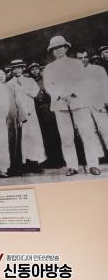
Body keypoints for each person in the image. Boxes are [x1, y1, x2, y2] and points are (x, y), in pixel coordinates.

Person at [43, 36, 103, 176]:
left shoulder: (76, 63)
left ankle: (93, 165)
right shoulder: (49, 68)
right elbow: (48, 86)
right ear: (52, 51)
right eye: (54, 48)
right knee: (66, 137)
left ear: (66, 48)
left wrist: (72, 93)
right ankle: (72, 166)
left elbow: (82, 81)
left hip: (79, 102)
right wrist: (60, 95)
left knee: (87, 134)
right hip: (60, 105)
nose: (58, 50)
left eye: (60, 47)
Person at [6, 59, 46, 173]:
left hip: (31, 113)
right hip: (19, 114)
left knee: (34, 136)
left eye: (19, 68)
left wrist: (26, 90)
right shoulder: (9, 84)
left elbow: (36, 94)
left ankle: (35, 162)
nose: (17, 70)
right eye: (14, 68)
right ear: (12, 70)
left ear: (22, 68)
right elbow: (11, 101)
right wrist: (18, 115)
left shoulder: (30, 80)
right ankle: (24, 164)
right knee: (23, 138)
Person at [28, 62, 64, 168]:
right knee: (45, 136)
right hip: (37, 112)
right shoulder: (30, 82)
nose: (35, 71)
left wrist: (44, 92)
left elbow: (52, 93)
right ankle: (50, 159)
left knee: (54, 135)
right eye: (32, 70)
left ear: (39, 70)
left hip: (48, 110)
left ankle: (59, 160)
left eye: (36, 69)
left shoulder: (45, 80)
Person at [77, 50, 108, 150]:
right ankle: (98, 156)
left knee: (105, 129)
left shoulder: (98, 69)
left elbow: (106, 86)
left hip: (99, 104)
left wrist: (106, 102)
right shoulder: (74, 73)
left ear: (88, 57)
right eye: (80, 58)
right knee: (90, 132)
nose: (83, 60)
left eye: (85, 57)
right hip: (84, 106)